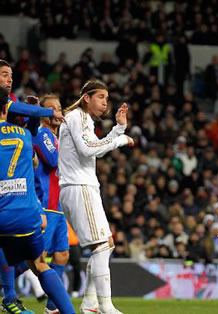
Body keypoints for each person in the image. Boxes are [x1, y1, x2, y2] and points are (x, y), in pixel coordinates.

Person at [59, 80, 133, 314]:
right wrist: (120, 139)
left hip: (82, 186)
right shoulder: (78, 116)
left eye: (107, 98)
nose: (105, 102)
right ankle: (105, 307)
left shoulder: (83, 120)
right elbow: (88, 150)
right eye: (101, 97)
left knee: (106, 244)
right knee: (101, 246)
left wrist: (118, 129)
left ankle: (91, 304)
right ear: (86, 98)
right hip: (79, 186)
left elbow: (93, 145)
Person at [0, 86, 75, 313]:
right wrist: (36, 112)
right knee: (40, 263)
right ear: (7, 107)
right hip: (27, 213)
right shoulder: (24, 135)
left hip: (3, 213)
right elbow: (35, 161)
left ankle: (11, 299)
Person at [33, 94, 70, 313]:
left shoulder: (56, 137)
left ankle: (51, 308)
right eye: (52, 109)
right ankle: (5, 282)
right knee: (35, 259)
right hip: (45, 205)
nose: (58, 112)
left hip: (59, 207)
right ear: (44, 114)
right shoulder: (42, 133)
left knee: (62, 255)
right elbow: (53, 161)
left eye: (59, 108)